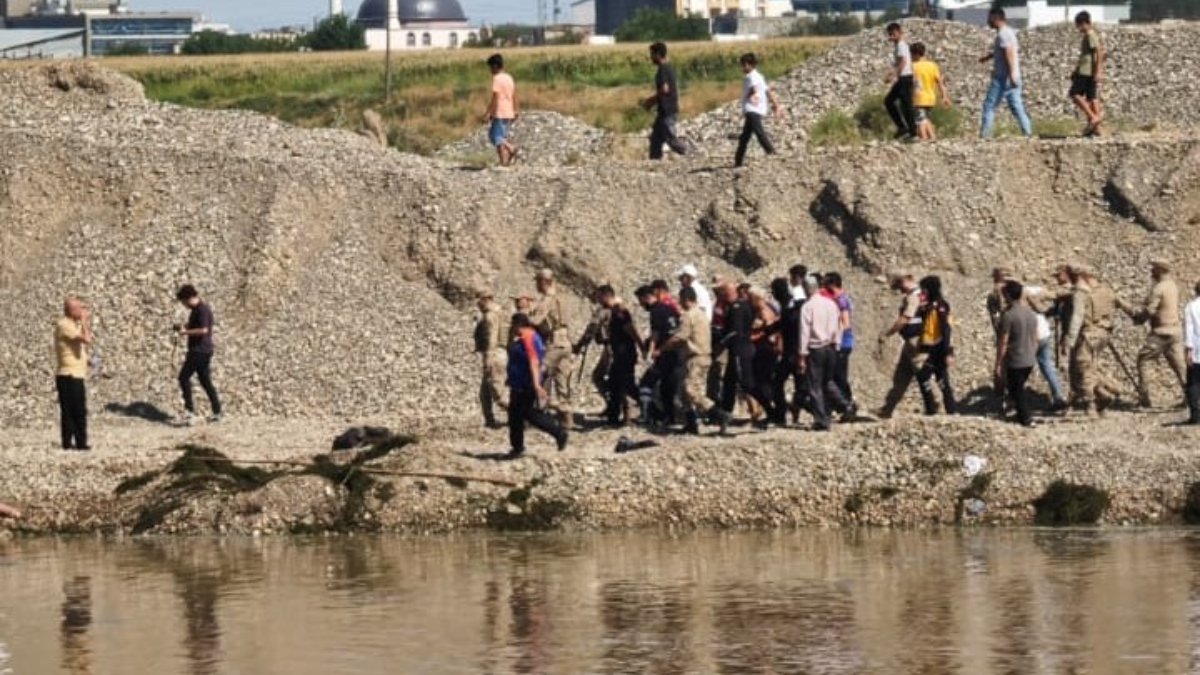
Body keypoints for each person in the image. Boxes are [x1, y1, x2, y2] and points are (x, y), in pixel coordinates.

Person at [988, 266, 1068, 412]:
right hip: (1043, 333)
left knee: (1016, 368)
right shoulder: (1030, 290)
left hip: (1023, 336)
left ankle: (1012, 400)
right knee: (1046, 364)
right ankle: (1058, 396)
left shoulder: (1000, 294)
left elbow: (998, 320)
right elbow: (1051, 298)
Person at [662, 287, 732, 434]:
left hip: (695, 357)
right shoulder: (702, 314)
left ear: (685, 299)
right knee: (684, 391)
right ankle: (691, 423)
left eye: (680, 299)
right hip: (702, 356)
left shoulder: (689, 316)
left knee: (691, 389)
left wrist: (663, 348)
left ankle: (719, 414)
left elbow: (681, 336)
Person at [1119, 260, 1187, 408]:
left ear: (1160, 270)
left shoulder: (1158, 288)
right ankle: (1191, 396)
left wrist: (1129, 310)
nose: (1151, 272)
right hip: (1175, 330)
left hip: (1160, 332)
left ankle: (1145, 398)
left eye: (1154, 269)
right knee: (1179, 366)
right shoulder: (1173, 286)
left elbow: (1148, 311)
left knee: (1143, 360)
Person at [506, 313, 568, 458]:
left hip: (525, 383)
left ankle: (558, 432)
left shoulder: (528, 336)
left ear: (518, 324)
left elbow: (534, 361)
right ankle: (517, 446)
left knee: (528, 413)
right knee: (516, 414)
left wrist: (536, 384)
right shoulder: (530, 336)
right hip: (520, 381)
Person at [1066, 265, 1119, 417]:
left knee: (1083, 369)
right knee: (1092, 367)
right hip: (1102, 333)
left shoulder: (1080, 293)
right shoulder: (1102, 291)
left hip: (1087, 335)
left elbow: (1077, 317)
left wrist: (1070, 340)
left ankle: (1092, 403)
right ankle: (1105, 393)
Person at [529, 269, 575, 429]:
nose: (536, 285)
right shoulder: (563, 298)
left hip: (553, 342)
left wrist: (523, 317)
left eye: (537, 282)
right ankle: (567, 418)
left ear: (544, 282)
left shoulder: (547, 300)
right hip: (566, 341)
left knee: (541, 375)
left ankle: (540, 414)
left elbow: (536, 321)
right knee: (563, 379)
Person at [798, 281, 847, 431]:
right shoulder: (831, 304)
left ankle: (821, 420)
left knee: (815, 385)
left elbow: (804, 332)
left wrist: (802, 354)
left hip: (816, 348)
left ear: (806, 289)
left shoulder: (807, 307)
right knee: (828, 381)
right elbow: (840, 325)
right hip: (831, 347)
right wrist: (837, 343)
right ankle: (845, 404)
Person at [876, 271, 926, 419]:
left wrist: (888, 333)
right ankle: (887, 409)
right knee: (901, 376)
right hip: (910, 341)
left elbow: (905, 318)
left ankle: (937, 407)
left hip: (915, 340)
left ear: (908, 279)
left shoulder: (914, 297)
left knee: (924, 374)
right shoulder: (921, 294)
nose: (899, 289)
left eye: (900, 284)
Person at [978, 7, 1033, 139]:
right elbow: (1003, 51)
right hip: (1012, 77)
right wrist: (989, 57)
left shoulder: (1003, 34)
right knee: (1016, 106)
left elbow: (1009, 53)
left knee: (989, 106)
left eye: (990, 19)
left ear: (995, 19)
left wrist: (1011, 73)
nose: (988, 21)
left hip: (1003, 78)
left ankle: (985, 136)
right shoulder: (1008, 32)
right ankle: (1028, 133)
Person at [718, 281, 766, 423]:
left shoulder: (737, 307)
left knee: (746, 383)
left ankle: (768, 408)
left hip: (740, 349)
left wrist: (721, 343)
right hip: (742, 348)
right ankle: (726, 415)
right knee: (730, 383)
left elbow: (735, 331)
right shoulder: (745, 307)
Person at [995, 280, 1041, 427]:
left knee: (1017, 390)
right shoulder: (1031, 313)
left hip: (1016, 358)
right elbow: (1037, 337)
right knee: (1018, 387)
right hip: (1029, 358)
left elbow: (1003, 341)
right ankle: (1020, 414)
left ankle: (1027, 418)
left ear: (1007, 295)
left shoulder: (1008, 315)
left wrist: (999, 363)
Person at [176, 285, 222, 425]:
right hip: (204, 350)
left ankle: (189, 411)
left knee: (183, 378)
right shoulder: (199, 309)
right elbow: (196, 325)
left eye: (184, 302)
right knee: (205, 380)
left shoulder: (202, 310)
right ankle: (217, 411)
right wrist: (184, 326)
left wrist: (185, 333)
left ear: (189, 298)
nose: (184, 305)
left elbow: (203, 330)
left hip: (199, 350)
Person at [636, 284, 681, 427]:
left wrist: (651, 352)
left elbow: (656, 335)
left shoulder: (656, 311)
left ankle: (648, 414)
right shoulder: (670, 309)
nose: (640, 305)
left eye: (640, 301)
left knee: (646, 383)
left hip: (664, 353)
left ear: (646, 297)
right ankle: (669, 416)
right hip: (675, 352)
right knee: (667, 387)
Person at [597, 285, 641, 426]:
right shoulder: (612, 311)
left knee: (624, 384)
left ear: (606, 296)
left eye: (599, 296)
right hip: (619, 353)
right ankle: (613, 416)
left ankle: (630, 416)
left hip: (625, 353)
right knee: (614, 384)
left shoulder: (619, 311)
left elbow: (630, 329)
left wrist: (641, 344)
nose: (598, 300)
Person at [914, 276, 957, 415]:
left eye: (923, 290)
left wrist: (948, 352)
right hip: (929, 348)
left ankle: (945, 410)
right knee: (929, 378)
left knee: (937, 380)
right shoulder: (928, 306)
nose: (922, 293)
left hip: (938, 349)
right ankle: (937, 409)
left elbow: (946, 329)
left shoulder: (941, 305)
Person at [54, 297, 93, 450]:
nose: (82, 310)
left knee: (76, 409)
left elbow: (79, 346)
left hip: (76, 373)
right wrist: (84, 321)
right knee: (74, 410)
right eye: (78, 308)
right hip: (68, 374)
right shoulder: (64, 324)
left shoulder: (72, 325)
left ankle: (74, 441)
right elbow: (86, 339)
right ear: (71, 310)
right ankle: (74, 442)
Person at [644, 42, 693, 160]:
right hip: (663, 111)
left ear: (658, 54)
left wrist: (651, 101)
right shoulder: (669, 67)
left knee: (671, 139)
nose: (650, 57)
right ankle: (654, 161)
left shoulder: (663, 69)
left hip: (667, 110)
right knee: (655, 139)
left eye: (652, 54)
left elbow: (665, 89)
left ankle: (690, 153)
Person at [734, 52, 782, 168]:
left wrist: (754, 95)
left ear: (750, 65)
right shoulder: (760, 76)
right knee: (745, 136)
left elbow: (754, 88)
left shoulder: (750, 77)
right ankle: (738, 161)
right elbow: (767, 91)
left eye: (744, 65)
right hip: (757, 109)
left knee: (759, 132)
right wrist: (775, 104)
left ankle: (771, 152)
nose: (743, 67)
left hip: (752, 109)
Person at [574, 288, 613, 417]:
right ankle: (614, 405)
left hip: (611, 347)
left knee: (599, 376)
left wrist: (581, 344)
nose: (597, 300)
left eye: (599, 297)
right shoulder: (619, 309)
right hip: (617, 347)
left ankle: (614, 404)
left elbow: (592, 328)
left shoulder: (603, 311)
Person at [824, 273, 858, 415]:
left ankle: (847, 405)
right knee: (837, 375)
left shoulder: (841, 300)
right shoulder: (844, 298)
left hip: (842, 342)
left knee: (839, 376)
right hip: (844, 342)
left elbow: (846, 323)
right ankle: (841, 404)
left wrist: (832, 334)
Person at [474, 290, 508, 429]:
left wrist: (487, 358)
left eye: (479, 300)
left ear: (486, 299)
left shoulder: (490, 316)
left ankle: (523, 416)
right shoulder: (500, 312)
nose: (477, 304)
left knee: (498, 394)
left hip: (494, 355)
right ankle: (489, 421)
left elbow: (491, 338)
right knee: (485, 393)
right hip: (498, 353)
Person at [748, 286, 781, 426]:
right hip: (763, 348)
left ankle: (771, 412)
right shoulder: (766, 309)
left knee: (763, 381)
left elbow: (770, 331)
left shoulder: (764, 312)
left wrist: (754, 333)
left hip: (764, 349)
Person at [1069, 11, 1105, 137]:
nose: (1078, 29)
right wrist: (1076, 70)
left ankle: (1093, 117)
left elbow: (1099, 52)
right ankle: (1096, 129)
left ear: (1085, 23)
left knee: (1074, 94)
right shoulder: (1089, 35)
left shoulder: (1090, 35)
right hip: (1086, 70)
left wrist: (1099, 71)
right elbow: (1086, 55)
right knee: (1092, 98)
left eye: (1079, 26)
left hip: (1087, 71)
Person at [483, 53, 520, 167]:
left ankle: (510, 150)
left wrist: (489, 111)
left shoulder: (497, 79)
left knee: (497, 137)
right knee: (497, 136)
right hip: (508, 111)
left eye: (490, 67)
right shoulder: (509, 77)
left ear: (495, 66)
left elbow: (495, 97)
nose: (490, 70)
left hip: (500, 111)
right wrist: (516, 109)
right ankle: (504, 160)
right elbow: (514, 95)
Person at [883, 22, 917, 141]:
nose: (891, 37)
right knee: (889, 101)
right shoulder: (898, 46)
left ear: (899, 32)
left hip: (905, 78)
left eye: (893, 34)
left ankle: (913, 133)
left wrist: (895, 75)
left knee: (906, 106)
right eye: (890, 34)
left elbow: (903, 61)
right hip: (902, 78)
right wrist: (891, 73)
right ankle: (902, 127)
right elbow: (899, 62)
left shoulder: (901, 45)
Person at [911, 42, 950, 141]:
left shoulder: (913, 66)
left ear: (915, 54)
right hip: (931, 98)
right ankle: (932, 137)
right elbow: (940, 82)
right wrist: (944, 96)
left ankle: (924, 138)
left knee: (920, 120)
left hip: (918, 98)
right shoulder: (932, 65)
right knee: (926, 119)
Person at [1184, 281, 1200, 425]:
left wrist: (1188, 349)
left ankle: (1195, 415)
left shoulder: (1191, 307)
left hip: (1197, 349)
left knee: (1193, 383)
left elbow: (1189, 329)